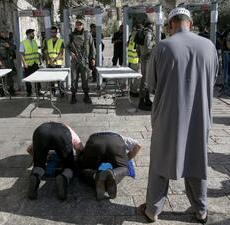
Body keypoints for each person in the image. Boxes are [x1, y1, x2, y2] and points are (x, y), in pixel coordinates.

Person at [140, 7, 218, 223]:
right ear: (190, 24)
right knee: (197, 160)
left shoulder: (163, 47)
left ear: (171, 24)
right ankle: (201, 210)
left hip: (168, 117)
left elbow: (152, 85)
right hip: (200, 117)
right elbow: (212, 80)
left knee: (161, 160)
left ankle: (153, 210)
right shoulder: (209, 46)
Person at [27, 122, 84, 201]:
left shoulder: (44, 128)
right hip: (61, 135)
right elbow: (80, 148)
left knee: (39, 166)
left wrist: (40, 158)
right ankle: (63, 178)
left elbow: (29, 149)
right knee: (70, 166)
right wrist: (76, 159)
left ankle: (35, 176)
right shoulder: (68, 130)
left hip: (40, 132)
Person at [77, 132, 142, 201]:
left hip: (94, 142)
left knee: (85, 169)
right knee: (123, 168)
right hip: (115, 143)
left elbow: (80, 149)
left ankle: (95, 176)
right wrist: (126, 160)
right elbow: (138, 146)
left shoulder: (93, 136)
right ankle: (114, 174)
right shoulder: (122, 137)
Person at [67, 20, 96, 104]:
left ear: (83, 25)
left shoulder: (88, 35)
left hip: (85, 61)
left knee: (85, 79)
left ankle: (86, 95)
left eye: (80, 24)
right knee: (74, 79)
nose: (79, 26)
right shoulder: (71, 35)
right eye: (77, 24)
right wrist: (71, 53)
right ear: (75, 25)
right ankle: (73, 95)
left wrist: (93, 58)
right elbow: (68, 46)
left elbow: (92, 47)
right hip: (75, 61)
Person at [136, 20, 155, 111]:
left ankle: (147, 100)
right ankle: (141, 102)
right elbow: (148, 47)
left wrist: (140, 55)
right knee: (145, 80)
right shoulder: (148, 34)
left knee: (145, 79)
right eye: (152, 26)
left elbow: (137, 47)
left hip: (143, 58)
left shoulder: (141, 33)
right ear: (150, 26)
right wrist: (154, 47)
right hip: (148, 57)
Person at [0, 30, 16, 96]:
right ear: (0, 33)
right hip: (1, 61)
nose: (4, 34)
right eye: (2, 32)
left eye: (5, 32)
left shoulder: (7, 40)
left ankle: (11, 90)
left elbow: (14, 48)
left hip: (8, 61)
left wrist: (9, 47)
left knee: (10, 77)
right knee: (1, 77)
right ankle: (1, 92)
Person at [19, 29, 42, 97]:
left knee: (37, 78)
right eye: (32, 34)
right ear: (28, 34)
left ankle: (38, 91)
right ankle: (29, 92)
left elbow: (36, 52)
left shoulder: (34, 42)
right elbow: (21, 54)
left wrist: (39, 60)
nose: (34, 35)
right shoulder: (23, 42)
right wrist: (24, 63)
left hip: (35, 62)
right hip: (28, 64)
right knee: (28, 78)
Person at [44, 26, 65, 97]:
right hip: (50, 63)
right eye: (52, 32)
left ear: (56, 32)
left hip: (58, 62)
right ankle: (53, 92)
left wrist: (55, 60)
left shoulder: (60, 41)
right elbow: (46, 53)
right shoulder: (48, 42)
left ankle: (61, 91)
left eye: (54, 32)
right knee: (51, 78)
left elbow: (61, 52)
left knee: (59, 78)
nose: (53, 33)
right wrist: (50, 61)